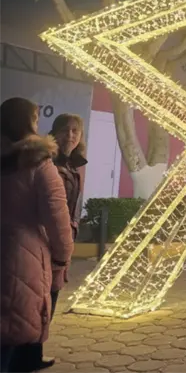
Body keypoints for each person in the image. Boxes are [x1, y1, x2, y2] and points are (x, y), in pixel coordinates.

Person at [0, 98, 74, 373]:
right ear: (29, 123)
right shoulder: (39, 163)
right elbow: (57, 219)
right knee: (11, 333)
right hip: (22, 259)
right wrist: (62, 258)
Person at [12, 115, 89, 372]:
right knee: (40, 300)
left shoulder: (73, 164)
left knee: (49, 299)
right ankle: (25, 357)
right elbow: (53, 210)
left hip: (60, 239)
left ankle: (33, 354)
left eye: (76, 131)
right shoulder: (47, 162)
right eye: (65, 130)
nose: (71, 136)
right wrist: (61, 246)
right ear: (54, 133)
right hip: (45, 242)